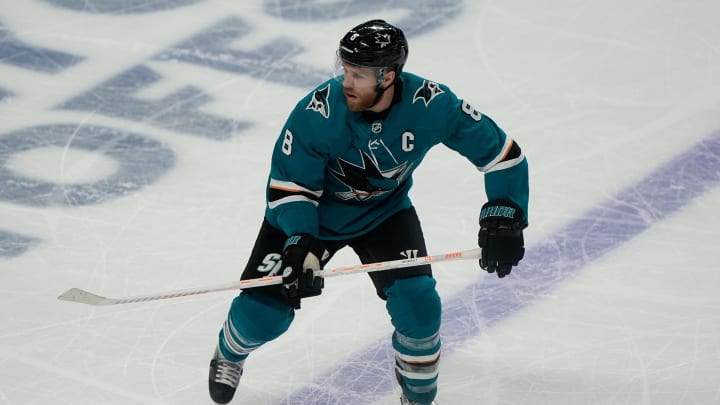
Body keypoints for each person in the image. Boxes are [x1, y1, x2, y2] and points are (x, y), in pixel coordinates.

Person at [208, 19, 529, 405]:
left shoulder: (433, 104)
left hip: (385, 215)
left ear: (388, 75)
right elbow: (289, 188)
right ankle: (230, 351)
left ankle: (418, 395)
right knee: (263, 315)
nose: (346, 81)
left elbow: (503, 156)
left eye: (358, 74)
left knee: (420, 308)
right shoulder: (316, 114)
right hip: (312, 221)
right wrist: (299, 241)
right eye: (345, 69)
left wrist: (505, 213)